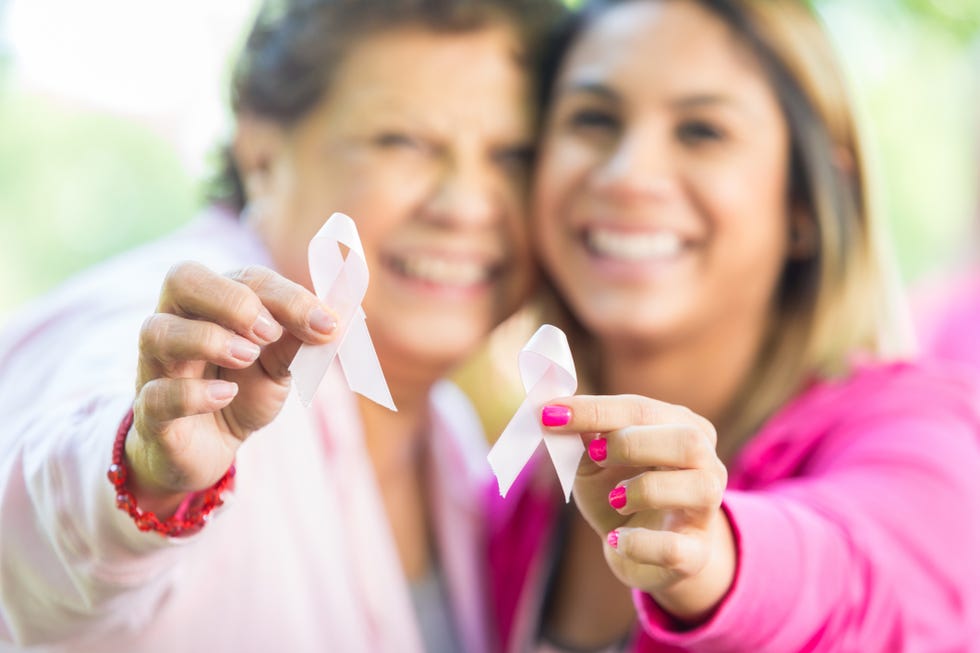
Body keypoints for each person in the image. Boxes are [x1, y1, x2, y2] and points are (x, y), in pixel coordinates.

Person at [0, 0, 564, 650]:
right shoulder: (174, 334)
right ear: (262, 156)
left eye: (513, 155)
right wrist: (142, 472)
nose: (467, 204)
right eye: (402, 141)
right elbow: (40, 527)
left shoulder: (454, 438)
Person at [488, 1, 980, 651]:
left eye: (702, 131)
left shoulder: (917, 428)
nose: (630, 174)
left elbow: (874, 580)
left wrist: (716, 553)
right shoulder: (517, 495)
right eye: (594, 120)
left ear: (806, 202)